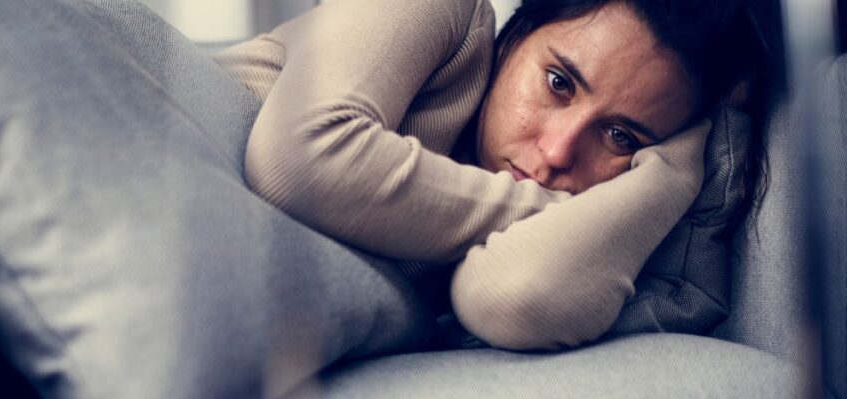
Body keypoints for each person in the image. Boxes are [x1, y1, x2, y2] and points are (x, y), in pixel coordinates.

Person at [212, 0, 782, 350]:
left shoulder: (486, 244)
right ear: (515, 39)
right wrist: (562, 212)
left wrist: (679, 166)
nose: (557, 152)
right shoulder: (440, 11)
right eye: (559, 83)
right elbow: (299, 161)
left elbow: (515, 296)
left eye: (620, 137)